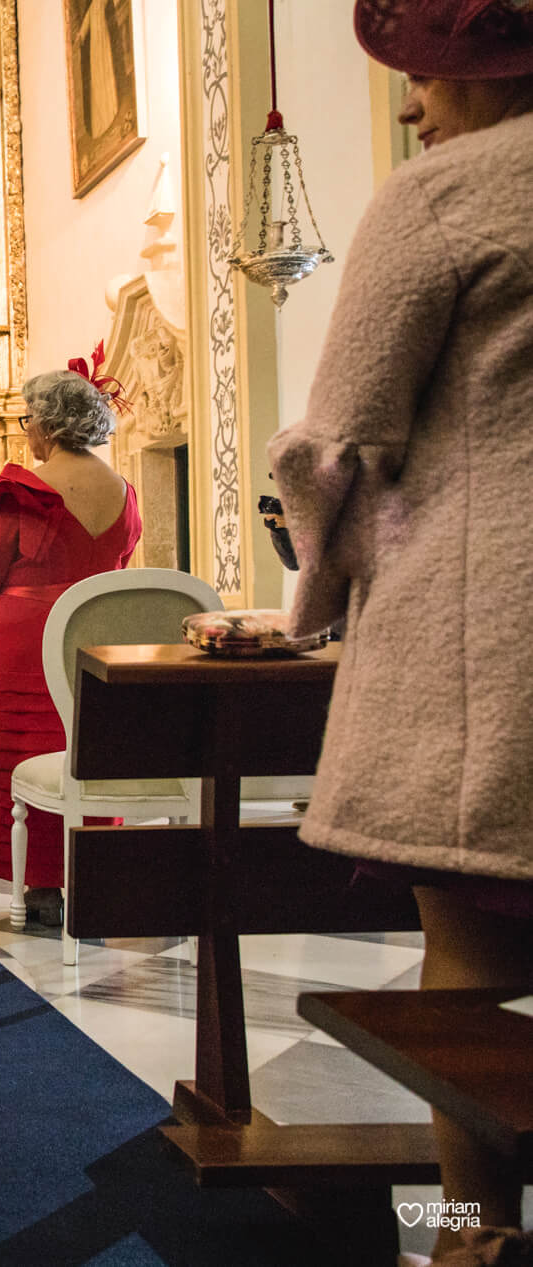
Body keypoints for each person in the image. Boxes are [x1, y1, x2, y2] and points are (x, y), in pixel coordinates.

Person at [269, 4, 533, 1259]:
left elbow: (337, 440)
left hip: (488, 632)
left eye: (423, 76)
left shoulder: (441, 195)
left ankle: (469, 1233)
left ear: (475, 70)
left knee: (470, 942)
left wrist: (307, 597)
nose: (414, 105)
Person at [0, 367, 139, 924]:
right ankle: (91, 875)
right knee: (89, 747)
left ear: (47, 422)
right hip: (95, 641)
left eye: (28, 419)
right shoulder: (124, 490)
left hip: (23, 641)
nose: (27, 431)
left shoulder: (26, 488)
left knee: (22, 751)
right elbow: (119, 567)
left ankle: (39, 886)